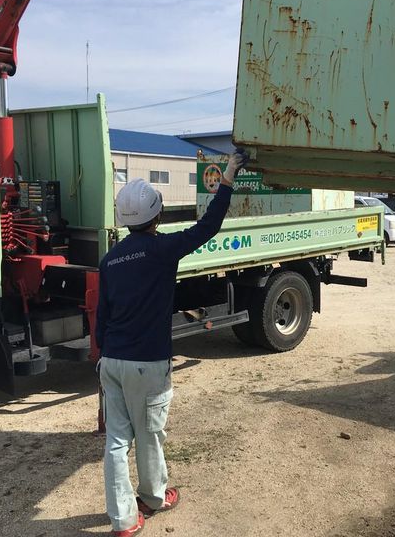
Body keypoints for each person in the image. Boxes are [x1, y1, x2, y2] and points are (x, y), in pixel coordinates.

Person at [96, 151, 245, 536]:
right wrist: (228, 174)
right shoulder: (162, 250)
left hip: (112, 361)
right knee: (149, 434)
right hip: (147, 363)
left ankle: (123, 519)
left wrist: (103, 358)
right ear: (157, 215)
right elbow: (208, 226)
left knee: (117, 442)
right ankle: (152, 498)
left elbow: (102, 317)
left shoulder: (109, 261)